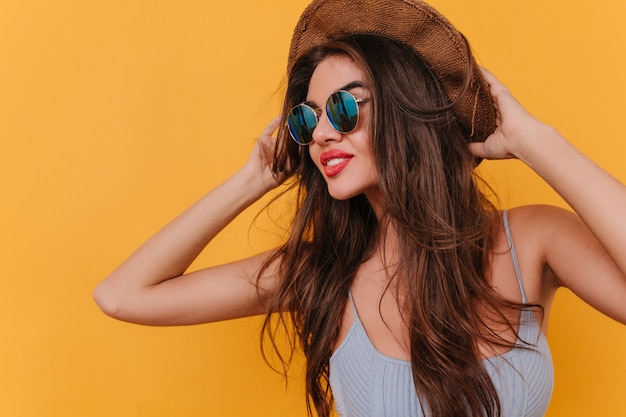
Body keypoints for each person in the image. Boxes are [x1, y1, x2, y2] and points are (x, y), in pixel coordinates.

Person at [93, 1, 626, 416]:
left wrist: (537, 141)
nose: (322, 134)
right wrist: (252, 178)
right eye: (308, 120)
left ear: (407, 112)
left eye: (345, 108)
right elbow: (122, 295)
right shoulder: (319, 273)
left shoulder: (531, 240)